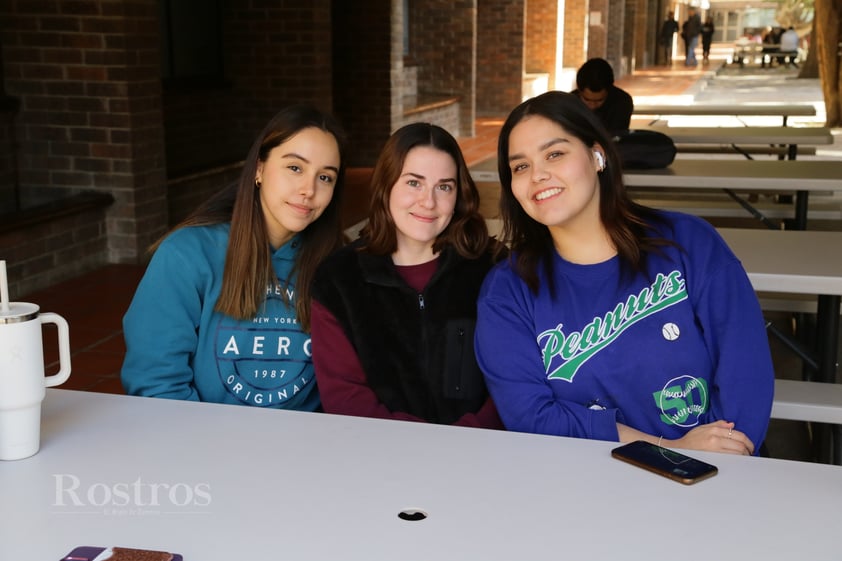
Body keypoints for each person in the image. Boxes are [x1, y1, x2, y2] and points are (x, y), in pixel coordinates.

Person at [474, 91, 775, 456]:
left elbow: (746, 370)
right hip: (586, 487)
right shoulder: (508, 290)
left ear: (597, 155)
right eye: (520, 166)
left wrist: (715, 457)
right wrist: (668, 451)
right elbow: (532, 416)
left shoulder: (687, 243)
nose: (538, 175)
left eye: (555, 153)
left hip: (715, 478)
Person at [121, 105, 348, 409]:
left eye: (325, 178)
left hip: (306, 448)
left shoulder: (338, 263)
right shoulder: (187, 254)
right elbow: (156, 381)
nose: (309, 189)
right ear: (258, 169)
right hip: (205, 446)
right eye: (295, 168)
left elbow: (351, 382)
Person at [310, 122, 503, 428]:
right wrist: (418, 445)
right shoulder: (338, 280)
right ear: (386, 186)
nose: (429, 201)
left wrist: (466, 440)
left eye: (444, 186)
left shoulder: (493, 269)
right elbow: (345, 396)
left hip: (481, 455)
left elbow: (513, 380)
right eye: (414, 183)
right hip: (381, 457)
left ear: (459, 195)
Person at [572, 57, 634, 136]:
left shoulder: (622, 102)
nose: (593, 106)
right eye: (587, 100)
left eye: (599, 100)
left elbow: (616, 137)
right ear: (579, 91)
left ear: (609, 91)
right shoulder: (570, 103)